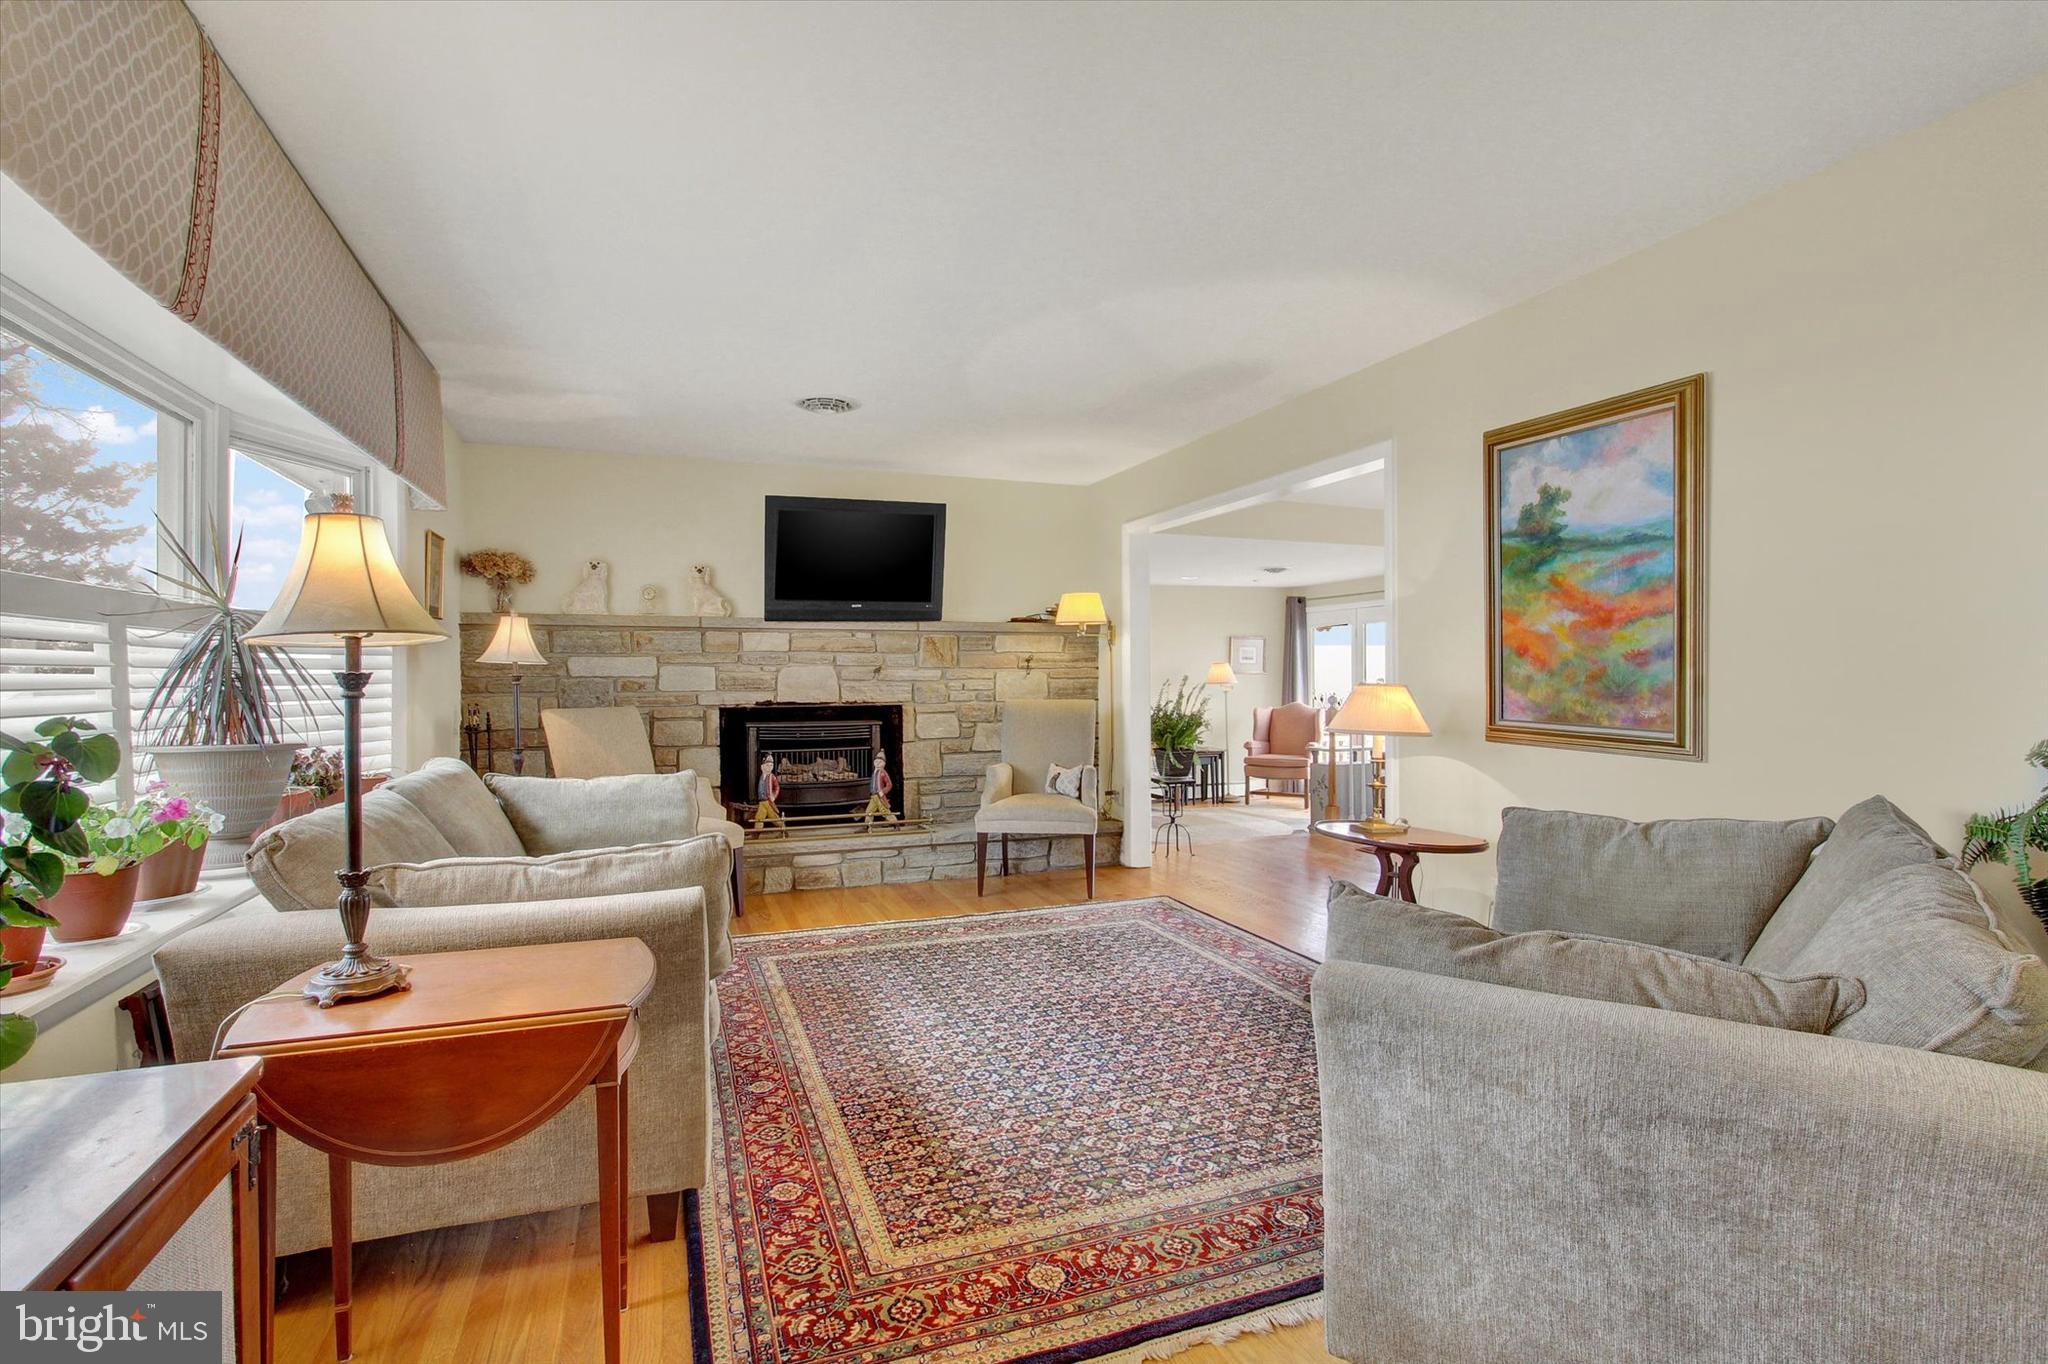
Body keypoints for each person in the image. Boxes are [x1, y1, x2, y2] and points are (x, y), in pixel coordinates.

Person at [862, 750, 898, 825]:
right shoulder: (874, 772)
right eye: (876, 761)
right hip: (873, 796)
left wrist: (883, 791)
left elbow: (889, 784)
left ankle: (895, 823)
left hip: (879, 796)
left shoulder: (883, 773)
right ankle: (868, 826)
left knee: (885, 811)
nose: (878, 763)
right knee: (869, 811)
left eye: (880, 762)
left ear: (883, 763)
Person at [753, 755, 785, 832]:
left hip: (768, 801)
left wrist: (773, 796)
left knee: (774, 818)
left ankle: (784, 830)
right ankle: (756, 834)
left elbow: (777, 787)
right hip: (762, 801)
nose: (769, 767)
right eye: (767, 765)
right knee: (759, 818)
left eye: (771, 766)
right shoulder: (761, 776)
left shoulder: (772, 777)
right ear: (762, 767)